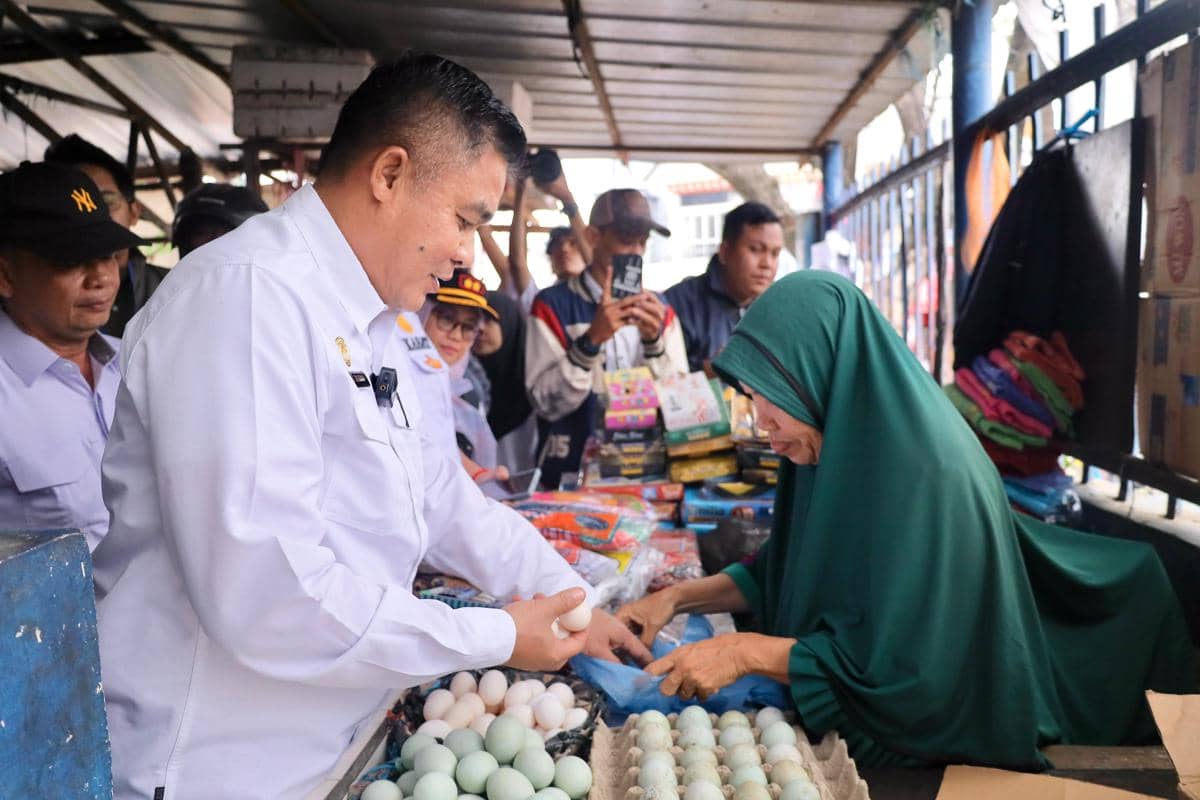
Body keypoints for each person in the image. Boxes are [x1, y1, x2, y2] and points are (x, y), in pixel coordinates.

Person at [91, 53, 649, 800]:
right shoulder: (250, 297)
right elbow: (266, 591)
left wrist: (572, 602)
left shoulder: (382, 321)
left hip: (331, 746)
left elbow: (443, 502)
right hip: (221, 766)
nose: (465, 253)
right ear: (389, 174)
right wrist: (494, 635)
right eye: (463, 219)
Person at [616, 271, 1195, 770]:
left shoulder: (927, 480)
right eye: (751, 398)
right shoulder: (828, 440)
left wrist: (743, 653)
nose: (761, 422)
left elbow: (914, 675)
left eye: (770, 398)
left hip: (932, 731)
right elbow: (790, 565)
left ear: (820, 371)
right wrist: (677, 600)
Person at [0, 161, 144, 550]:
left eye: (110, 254)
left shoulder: (138, 363)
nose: (101, 276)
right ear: (6, 275)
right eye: (70, 259)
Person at [526, 188, 689, 489]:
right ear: (592, 237)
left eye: (643, 241)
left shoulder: (660, 311)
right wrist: (590, 342)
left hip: (645, 472)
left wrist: (654, 344)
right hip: (569, 474)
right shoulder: (552, 305)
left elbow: (682, 405)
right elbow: (544, 402)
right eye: (627, 240)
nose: (637, 251)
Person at [44, 134, 165, 338]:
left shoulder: (174, 288)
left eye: (106, 203)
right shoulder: (32, 292)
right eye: (75, 205)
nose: (92, 216)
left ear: (134, 212)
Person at [664, 201, 784, 374]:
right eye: (756, 250)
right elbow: (662, 381)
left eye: (775, 254)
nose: (767, 264)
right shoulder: (679, 305)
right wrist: (710, 370)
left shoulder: (778, 309)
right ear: (725, 252)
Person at [420, 268, 510, 483]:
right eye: (446, 318)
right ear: (421, 315)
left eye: (468, 327)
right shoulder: (395, 377)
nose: (455, 335)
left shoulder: (471, 390)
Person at [474, 290, 538, 474]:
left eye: (489, 320)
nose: (480, 328)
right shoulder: (461, 378)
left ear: (508, 323)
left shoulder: (532, 387)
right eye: (475, 321)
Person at [172, 182, 269, 257]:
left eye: (228, 234)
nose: (214, 243)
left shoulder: (272, 281)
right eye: (202, 233)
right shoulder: (170, 282)